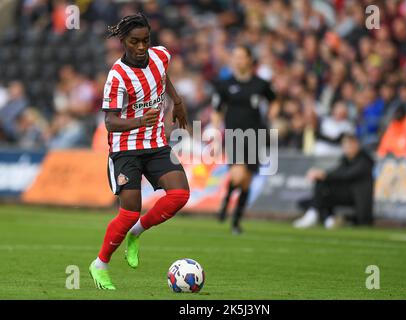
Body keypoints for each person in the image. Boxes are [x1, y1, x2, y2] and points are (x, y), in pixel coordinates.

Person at [89, 13, 190, 290]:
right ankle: (100, 265)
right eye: (135, 42)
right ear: (124, 41)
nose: (142, 47)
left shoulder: (160, 56)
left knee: (180, 195)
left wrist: (177, 101)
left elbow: (162, 74)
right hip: (125, 150)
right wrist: (137, 121)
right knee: (129, 211)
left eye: (146, 40)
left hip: (156, 144)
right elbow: (110, 122)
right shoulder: (117, 76)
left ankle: (137, 234)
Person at [211, 45, 276, 234]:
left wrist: (272, 116)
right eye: (235, 57)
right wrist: (215, 132)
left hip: (256, 135)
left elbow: (275, 100)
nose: (238, 60)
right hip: (234, 136)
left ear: (249, 60)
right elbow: (217, 110)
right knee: (238, 175)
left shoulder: (261, 84)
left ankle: (236, 221)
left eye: (241, 57)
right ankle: (226, 203)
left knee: (246, 181)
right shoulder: (224, 84)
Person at [293, 134, 374, 229]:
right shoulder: (345, 160)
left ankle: (316, 214)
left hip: (357, 198)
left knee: (320, 193)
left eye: (349, 145)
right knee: (309, 199)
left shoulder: (364, 160)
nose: (347, 148)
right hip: (346, 194)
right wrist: (321, 174)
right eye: (345, 146)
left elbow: (346, 175)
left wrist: (324, 174)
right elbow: (336, 172)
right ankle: (327, 218)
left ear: (356, 145)